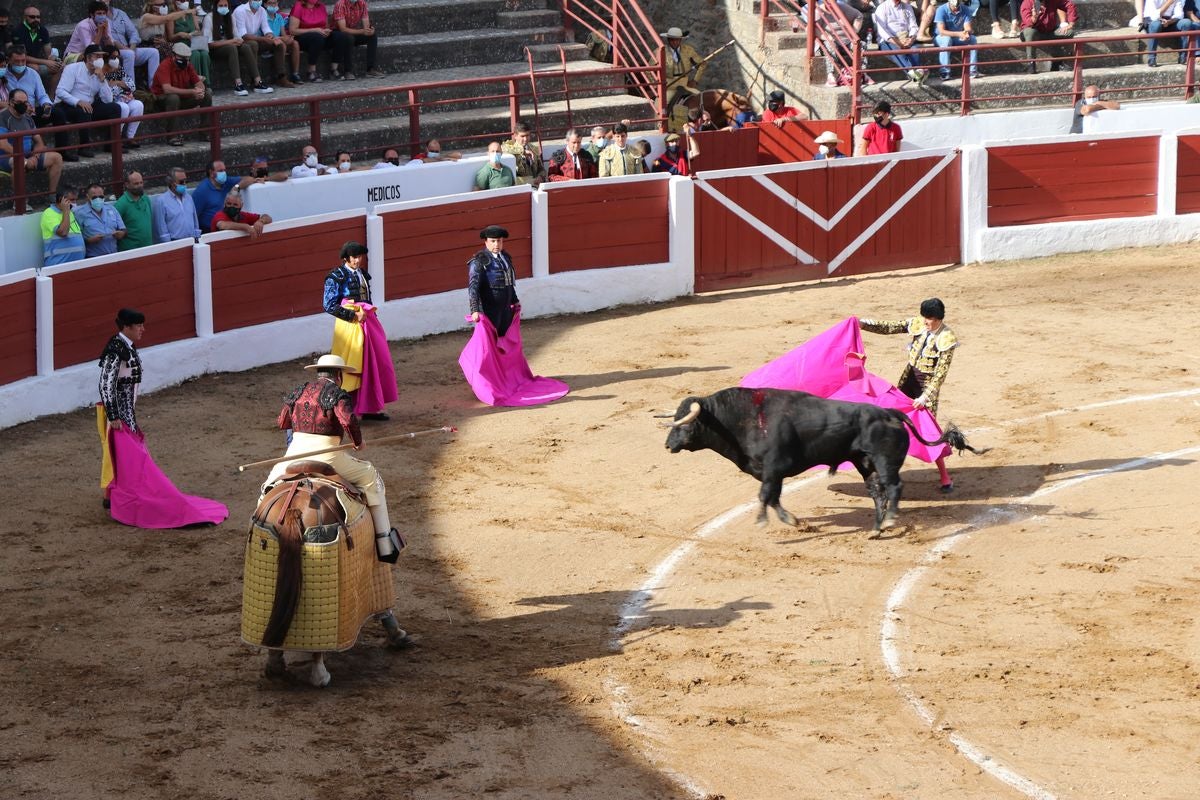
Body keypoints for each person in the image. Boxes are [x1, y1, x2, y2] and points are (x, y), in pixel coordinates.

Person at [263, 354, 401, 556]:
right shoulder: (338, 394)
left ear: (318, 372)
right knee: (370, 475)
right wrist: (358, 442)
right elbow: (348, 420)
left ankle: (257, 531)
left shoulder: (298, 391)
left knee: (268, 485)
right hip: (327, 454)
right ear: (339, 375)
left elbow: (282, 421)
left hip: (294, 453)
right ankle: (385, 543)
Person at [860, 298, 959, 491]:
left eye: (929, 319)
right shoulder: (918, 323)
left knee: (928, 432)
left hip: (925, 387)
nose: (925, 322)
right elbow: (890, 327)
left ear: (938, 319)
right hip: (909, 379)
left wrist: (925, 397)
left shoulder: (947, 338)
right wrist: (864, 324)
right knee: (890, 421)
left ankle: (945, 477)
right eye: (924, 317)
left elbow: (940, 374)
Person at [324, 240, 396, 420]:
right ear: (346, 258)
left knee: (373, 363)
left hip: (367, 323)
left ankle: (368, 408)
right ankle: (346, 411)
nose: (358, 260)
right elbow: (328, 305)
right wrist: (353, 316)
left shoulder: (363, 274)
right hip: (349, 327)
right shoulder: (336, 277)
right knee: (351, 366)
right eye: (355, 257)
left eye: (360, 257)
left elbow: (368, 300)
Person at [98, 307, 145, 505]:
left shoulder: (126, 345)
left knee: (124, 451)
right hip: (117, 412)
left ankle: (119, 492)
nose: (142, 329)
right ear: (126, 327)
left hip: (126, 410)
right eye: (139, 326)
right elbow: (105, 384)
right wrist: (114, 415)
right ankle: (110, 496)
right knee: (117, 452)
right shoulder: (116, 350)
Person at [51, 44, 122, 160]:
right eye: (97, 56)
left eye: (101, 57)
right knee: (84, 110)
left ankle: (111, 144)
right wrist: (78, 102)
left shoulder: (99, 73)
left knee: (115, 108)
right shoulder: (73, 68)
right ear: (88, 58)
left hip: (89, 105)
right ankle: (84, 146)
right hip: (68, 105)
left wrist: (102, 80)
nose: (100, 60)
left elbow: (108, 99)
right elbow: (60, 91)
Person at [0, 88, 63, 197]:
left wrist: (35, 157)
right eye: (19, 103)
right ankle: (20, 201)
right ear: (10, 102)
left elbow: (39, 142)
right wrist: (23, 159)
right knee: (19, 164)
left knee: (57, 157)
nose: (23, 105)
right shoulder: (2, 117)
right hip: (8, 157)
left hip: (29, 156)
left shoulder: (28, 118)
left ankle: (52, 195)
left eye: (25, 102)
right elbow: (3, 144)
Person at [150, 42, 211, 147]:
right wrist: (192, 92)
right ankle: (172, 136)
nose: (185, 61)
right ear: (173, 56)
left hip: (181, 98)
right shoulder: (165, 65)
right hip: (162, 100)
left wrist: (200, 91)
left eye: (187, 58)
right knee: (173, 98)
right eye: (182, 58)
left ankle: (205, 132)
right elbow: (167, 89)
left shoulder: (188, 65)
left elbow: (198, 82)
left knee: (207, 94)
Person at [210, 0, 273, 96]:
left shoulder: (230, 17)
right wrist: (232, 41)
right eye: (221, 5)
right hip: (217, 48)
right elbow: (210, 44)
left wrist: (238, 41)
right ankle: (238, 84)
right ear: (215, 6)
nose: (223, 7)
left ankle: (257, 81)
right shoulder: (209, 18)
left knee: (246, 47)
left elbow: (237, 35)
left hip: (230, 43)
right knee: (232, 48)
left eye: (225, 5)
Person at [468, 224, 519, 337]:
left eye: (499, 241)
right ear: (486, 242)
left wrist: (515, 300)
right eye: (493, 241)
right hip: (489, 309)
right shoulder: (478, 261)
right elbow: (473, 287)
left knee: (504, 338)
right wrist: (474, 310)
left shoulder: (505, 257)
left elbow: (508, 282)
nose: (496, 244)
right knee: (489, 339)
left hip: (505, 308)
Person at [101, 0, 160, 90]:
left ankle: (154, 87)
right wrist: (128, 50)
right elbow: (111, 40)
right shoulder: (99, 17)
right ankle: (131, 89)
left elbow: (133, 32)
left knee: (153, 52)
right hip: (113, 51)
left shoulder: (120, 13)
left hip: (129, 48)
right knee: (129, 54)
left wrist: (132, 48)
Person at [661, 26, 706, 132]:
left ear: (681, 40)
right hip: (669, 85)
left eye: (678, 39)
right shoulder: (661, 51)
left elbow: (702, 63)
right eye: (672, 39)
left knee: (700, 98)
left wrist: (695, 80)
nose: (675, 42)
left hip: (685, 84)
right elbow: (650, 69)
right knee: (664, 105)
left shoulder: (688, 50)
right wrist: (658, 84)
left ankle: (703, 122)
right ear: (668, 40)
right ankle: (665, 125)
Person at [192, 159, 255, 231]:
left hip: (229, 225)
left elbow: (249, 179)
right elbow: (193, 216)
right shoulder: (201, 191)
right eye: (220, 171)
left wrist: (236, 187)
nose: (224, 173)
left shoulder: (226, 181)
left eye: (224, 170)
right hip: (210, 230)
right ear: (211, 173)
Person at [102, 44, 144, 148]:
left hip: (125, 98)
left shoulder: (119, 69)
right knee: (123, 107)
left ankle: (130, 137)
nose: (116, 60)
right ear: (106, 58)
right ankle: (117, 137)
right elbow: (109, 93)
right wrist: (121, 86)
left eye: (117, 57)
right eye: (113, 57)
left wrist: (118, 83)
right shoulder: (101, 72)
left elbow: (132, 86)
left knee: (138, 105)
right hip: (111, 102)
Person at [874, 0, 925, 83]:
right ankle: (915, 75)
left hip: (905, 38)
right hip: (888, 41)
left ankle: (917, 74)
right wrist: (898, 43)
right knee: (898, 51)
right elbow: (882, 31)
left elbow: (913, 26)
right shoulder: (882, 8)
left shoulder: (907, 7)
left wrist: (911, 39)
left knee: (914, 49)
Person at [4, 45, 55, 128]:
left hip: (31, 111)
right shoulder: (3, 74)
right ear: (8, 60)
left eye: (23, 61)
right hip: (13, 111)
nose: (20, 64)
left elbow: (42, 95)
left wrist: (46, 105)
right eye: (16, 61)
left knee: (58, 114)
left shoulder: (33, 74)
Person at [160, 0, 211, 84]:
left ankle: (206, 84)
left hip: (193, 43)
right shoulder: (172, 16)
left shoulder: (192, 13)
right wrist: (179, 34)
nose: (185, 2)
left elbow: (198, 30)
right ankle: (195, 82)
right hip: (180, 44)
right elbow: (170, 37)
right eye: (182, 0)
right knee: (195, 54)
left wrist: (195, 33)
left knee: (204, 54)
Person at [1020, 0, 1078, 73]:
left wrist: (1071, 23)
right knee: (1030, 32)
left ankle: (1061, 62)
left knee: (1069, 32)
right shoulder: (1027, 2)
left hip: (1050, 31)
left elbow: (1069, 4)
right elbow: (1028, 22)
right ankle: (1031, 63)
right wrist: (1034, 17)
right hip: (1034, 32)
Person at [332, 0, 383, 79]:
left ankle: (370, 69)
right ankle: (348, 71)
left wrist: (370, 30)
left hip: (352, 31)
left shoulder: (362, 3)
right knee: (349, 38)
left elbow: (366, 25)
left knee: (372, 36)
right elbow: (343, 29)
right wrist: (362, 31)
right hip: (338, 34)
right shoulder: (340, 4)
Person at [12, 6, 60, 92]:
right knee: (34, 68)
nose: (36, 19)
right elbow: (22, 56)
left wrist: (53, 59)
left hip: (37, 61)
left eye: (38, 17)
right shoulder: (18, 31)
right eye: (32, 17)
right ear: (25, 17)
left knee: (59, 67)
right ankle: (33, 96)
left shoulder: (42, 30)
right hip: (20, 62)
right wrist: (46, 62)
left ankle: (51, 98)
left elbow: (48, 52)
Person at [289, 0, 335, 83]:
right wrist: (314, 30)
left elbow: (326, 25)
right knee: (317, 38)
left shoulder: (321, 6)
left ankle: (335, 69)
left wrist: (327, 31)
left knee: (341, 36)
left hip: (320, 35)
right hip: (302, 37)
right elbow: (292, 30)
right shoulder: (298, 6)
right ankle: (311, 71)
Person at [78, 182, 127, 258]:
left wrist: (121, 234)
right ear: (87, 197)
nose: (98, 199)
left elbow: (124, 230)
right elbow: (76, 239)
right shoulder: (80, 214)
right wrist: (88, 241)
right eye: (94, 197)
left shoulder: (112, 209)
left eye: (101, 197)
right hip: (93, 257)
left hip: (114, 255)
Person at [935, 0, 982, 80]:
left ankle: (972, 71)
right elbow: (941, 32)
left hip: (957, 37)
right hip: (941, 37)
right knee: (947, 40)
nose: (956, 6)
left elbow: (967, 27)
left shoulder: (965, 9)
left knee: (972, 39)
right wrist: (959, 34)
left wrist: (966, 33)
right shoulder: (941, 9)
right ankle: (944, 72)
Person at [152, 166, 201, 242]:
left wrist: (197, 237)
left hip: (192, 240)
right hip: (175, 242)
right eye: (181, 182)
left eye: (186, 181)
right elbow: (161, 229)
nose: (184, 184)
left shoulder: (189, 198)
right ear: (172, 183)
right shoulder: (161, 201)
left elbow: (195, 220)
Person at [41, 185, 86, 266]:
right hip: (58, 265)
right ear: (61, 199)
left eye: (76, 199)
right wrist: (66, 211)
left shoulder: (70, 213)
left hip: (76, 264)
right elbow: (63, 232)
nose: (75, 203)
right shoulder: (49, 213)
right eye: (72, 200)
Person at [263, 0, 302, 85]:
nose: (273, 5)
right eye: (270, 3)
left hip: (278, 39)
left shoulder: (279, 17)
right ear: (265, 4)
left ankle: (295, 74)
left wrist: (288, 38)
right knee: (282, 44)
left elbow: (283, 33)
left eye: (275, 3)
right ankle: (281, 75)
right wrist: (282, 38)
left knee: (295, 43)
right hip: (267, 42)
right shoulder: (262, 16)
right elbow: (267, 36)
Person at [114, 170, 153, 251]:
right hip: (130, 251)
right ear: (127, 185)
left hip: (148, 248)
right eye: (136, 183)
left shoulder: (145, 199)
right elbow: (114, 228)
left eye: (141, 182)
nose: (140, 186)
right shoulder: (121, 204)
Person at [1146, 0, 1192, 66]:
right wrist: (1169, 2)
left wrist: (1169, 22)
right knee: (1156, 25)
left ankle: (1183, 57)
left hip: (1170, 21)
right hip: (1153, 21)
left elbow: (1179, 15)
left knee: (1186, 23)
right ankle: (1151, 58)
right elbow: (1154, 16)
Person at [502, 121, 543, 186]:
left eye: (527, 135)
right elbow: (503, 148)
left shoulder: (534, 149)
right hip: (518, 187)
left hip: (535, 185)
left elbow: (541, 169)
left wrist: (540, 177)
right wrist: (523, 151)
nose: (525, 139)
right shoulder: (509, 147)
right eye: (522, 136)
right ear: (515, 136)